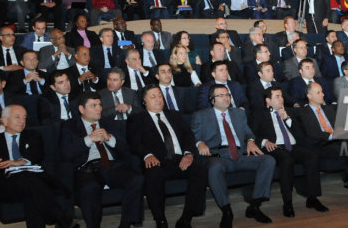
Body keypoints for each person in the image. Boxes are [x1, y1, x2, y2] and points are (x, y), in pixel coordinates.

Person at [191, 84, 276, 227]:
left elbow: (249, 133)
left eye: (227, 94)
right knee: (214, 168)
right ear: (212, 100)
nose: (226, 98)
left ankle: (254, 206)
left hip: (241, 154)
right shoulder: (201, 115)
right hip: (219, 156)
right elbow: (192, 137)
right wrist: (200, 143)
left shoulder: (238, 113)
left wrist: (250, 141)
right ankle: (227, 211)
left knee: (268, 160)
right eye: (221, 95)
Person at [0, 105, 75, 228]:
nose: (22, 121)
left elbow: (37, 155)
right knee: (30, 181)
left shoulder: (34, 135)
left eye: (24, 117)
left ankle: (61, 218)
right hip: (8, 185)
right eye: (17, 117)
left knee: (31, 189)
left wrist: (20, 162)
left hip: (34, 182)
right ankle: (60, 217)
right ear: (4, 121)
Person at [127, 85, 208, 228]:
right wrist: (147, 155)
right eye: (153, 96)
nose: (158, 99)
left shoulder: (174, 115)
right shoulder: (137, 119)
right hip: (157, 160)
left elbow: (188, 136)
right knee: (153, 174)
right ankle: (160, 220)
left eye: (159, 95)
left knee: (200, 169)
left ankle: (186, 218)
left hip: (179, 159)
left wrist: (188, 154)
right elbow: (135, 142)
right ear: (144, 101)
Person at [60, 93, 144, 228]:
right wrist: (88, 139)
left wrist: (110, 138)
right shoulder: (69, 126)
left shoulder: (109, 123)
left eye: (99, 105)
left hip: (111, 166)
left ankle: (126, 223)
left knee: (136, 179)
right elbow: (66, 153)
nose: (99, 108)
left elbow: (126, 150)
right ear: (81, 109)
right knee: (89, 188)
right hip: (87, 169)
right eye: (93, 105)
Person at [295, 81, 348, 207]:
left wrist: (341, 131)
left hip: (338, 142)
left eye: (322, 91)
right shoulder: (303, 112)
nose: (323, 94)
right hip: (320, 145)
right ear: (309, 96)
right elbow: (312, 133)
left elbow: (340, 125)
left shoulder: (329, 109)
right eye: (318, 92)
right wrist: (333, 135)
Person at [250, 86, 327, 217]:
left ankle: (312, 198)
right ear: (268, 100)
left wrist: (287, 119)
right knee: (287, 160)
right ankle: (288, 203)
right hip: (275, 147)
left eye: (282, 96)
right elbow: (251, 134)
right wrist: (264, 142)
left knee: (311, 156)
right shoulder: (259, 113)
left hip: (293, 146)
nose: (281, 99)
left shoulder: (290, 112)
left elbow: (301, 135)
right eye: (277, 96)